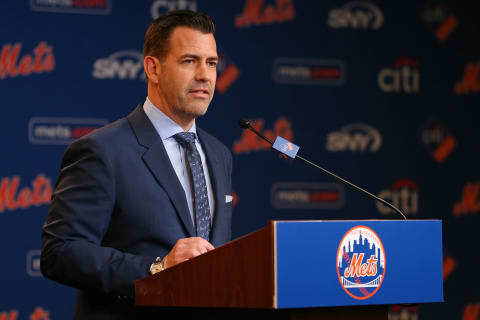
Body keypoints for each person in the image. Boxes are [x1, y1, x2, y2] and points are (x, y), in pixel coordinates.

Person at [41, 10, 233, 319]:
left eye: (211, 63)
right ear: (153, 68)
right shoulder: (102, 150)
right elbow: (60, 253)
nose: (205, 75)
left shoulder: (219, 153)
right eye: (189, 61)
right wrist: (157, 268)